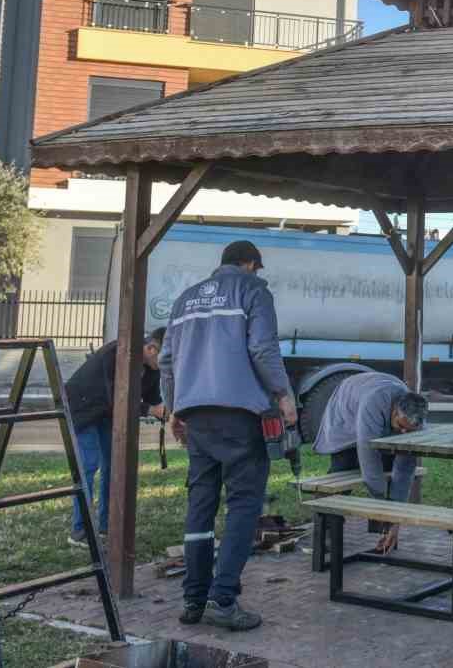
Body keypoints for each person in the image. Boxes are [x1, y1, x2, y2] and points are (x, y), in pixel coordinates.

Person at [160, 240, 296, 632]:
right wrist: (284, 396)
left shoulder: (185, 299)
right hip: (240, 419)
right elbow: (263, 348)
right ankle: (223, 599)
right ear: (250, 264)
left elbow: (167, 359)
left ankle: (193, 599)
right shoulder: (253, 291)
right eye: (257, 268)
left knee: (200, 507)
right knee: (243, 507)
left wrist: (174, 409)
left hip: (197, 419)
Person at [62, 327, 165, 547]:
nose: (168, 362)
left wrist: (170, 414)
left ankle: (107, 526)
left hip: (107, 413)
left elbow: (155, 401)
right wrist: (149, 410)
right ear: (151, 348)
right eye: (166, 355)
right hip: (82, 408)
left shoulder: (153, 369)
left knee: (113, 465)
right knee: (88, 465)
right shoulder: (118, 352)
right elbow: (117, 396)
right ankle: (79, 530)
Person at [312, 371, 429, 554]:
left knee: (390, 469)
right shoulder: (373, 404)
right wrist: (384, 508)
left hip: (372, 402)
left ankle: (384, 531)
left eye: (410, 431)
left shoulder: (416, 418)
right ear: (395, 411)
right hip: (345, 410)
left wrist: (395, 519)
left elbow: (405, 470)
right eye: (401, 427)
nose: (404, 434)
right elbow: (369, 463)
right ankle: (327, 529)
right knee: (343, 467)